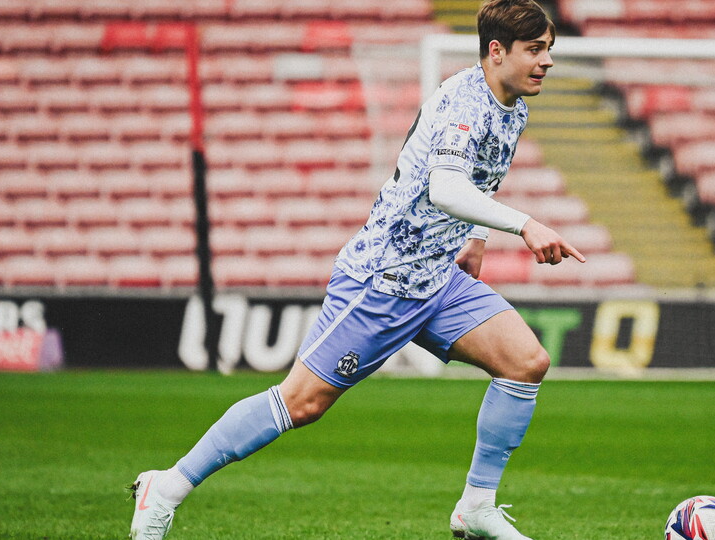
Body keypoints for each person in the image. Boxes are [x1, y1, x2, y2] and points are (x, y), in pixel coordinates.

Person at [128, 1, 584, 538]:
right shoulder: (465, 102)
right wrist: (524, 225)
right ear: (497, 51)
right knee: (301, 403)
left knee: (526, 362)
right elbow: (446, 187)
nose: (546, 60)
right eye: (535, 49)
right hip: (384, 279)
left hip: (438, 277)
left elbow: (478, 178)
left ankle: (476, 507)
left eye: (549, 49)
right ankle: (167, 487)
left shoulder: (513, 107)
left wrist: (476, 238)